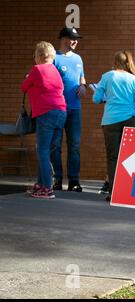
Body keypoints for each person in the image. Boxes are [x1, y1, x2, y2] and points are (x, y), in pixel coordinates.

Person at [92, 51, 135, 201]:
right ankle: (129, 190)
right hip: (130, 118)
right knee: (129, 156)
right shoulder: (134, 79)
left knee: (112, 157)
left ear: (114, 61)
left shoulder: (107, 76)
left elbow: (96, 99)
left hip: (110, 120)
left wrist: (106, 97)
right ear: (128, 63)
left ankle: (114, 192)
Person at [21, 41, 67, 199]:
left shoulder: (37, 69)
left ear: (38, 56)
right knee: (48, 150)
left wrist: (29, 78)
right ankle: (41, 185)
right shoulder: (55, 70)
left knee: (42, 150)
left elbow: (24, 87)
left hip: (46, 113)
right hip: (61, 112)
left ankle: (47, 187)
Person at [51, 27, 86, 192]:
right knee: (55, 145)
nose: (75, 41)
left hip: (75, 108)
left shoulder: (78, 58)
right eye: (73, 38)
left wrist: (83, 85)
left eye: (77, 39)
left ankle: (74, 181)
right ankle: (57, 179)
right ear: (64, 39)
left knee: (75, 145)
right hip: (58, 108)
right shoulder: (54, 58)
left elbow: (82, 77)